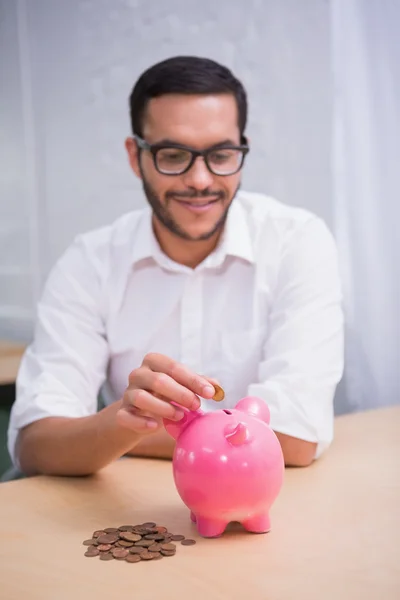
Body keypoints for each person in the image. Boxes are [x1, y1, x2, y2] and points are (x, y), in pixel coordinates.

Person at [7, 56, 344, 477]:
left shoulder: (297, 241)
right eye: (173, 154)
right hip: (127, 508)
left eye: (221, 154)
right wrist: (122, 422)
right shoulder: (89, 262)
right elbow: (36, 444)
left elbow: (296, 437)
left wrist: (118, 436)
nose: (201, 179)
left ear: (243, 149)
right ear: (136, 157)